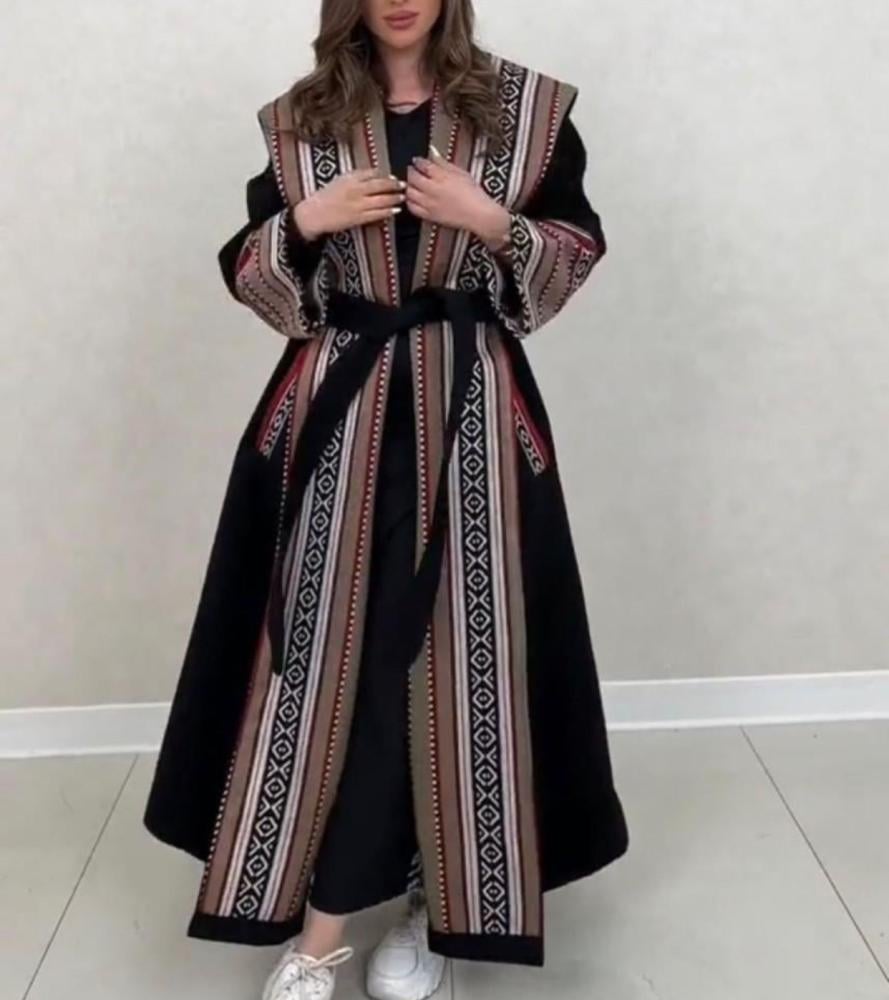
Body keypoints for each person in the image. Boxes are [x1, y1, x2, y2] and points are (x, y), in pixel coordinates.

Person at [143, 1, 630, 998]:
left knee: (454, 657)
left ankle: (423, 905)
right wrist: (303, 224)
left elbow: (570, 253)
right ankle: (327, 922)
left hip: (469, 413)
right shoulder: (302, 119)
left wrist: (489, 221)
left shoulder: (523, 110)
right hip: (342, 413)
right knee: (337, 657)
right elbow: (255, 274)